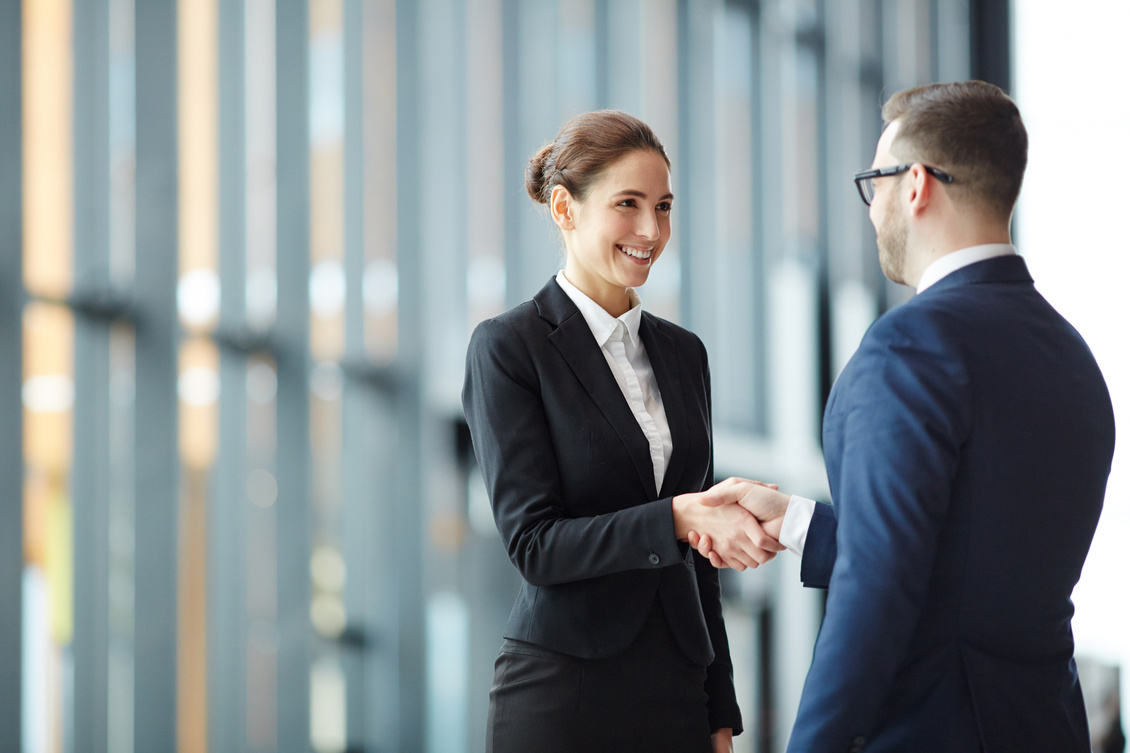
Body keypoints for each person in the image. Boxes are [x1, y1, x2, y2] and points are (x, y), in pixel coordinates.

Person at [692, 81, 1116, 752]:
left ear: (916, 184)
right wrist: (800, 523)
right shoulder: (1074, 358)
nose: (872, 209)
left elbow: (878, 593)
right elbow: (966, 568)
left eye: (876, 182)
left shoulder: (911, 345)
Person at [462, 110, 782, 753]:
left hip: (678, 691)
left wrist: (721, 710)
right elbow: (535, 544)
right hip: (564, 692)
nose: (650, 230)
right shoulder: (510, 347)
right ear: (564, 208)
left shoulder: (684, 353)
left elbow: (703, 560)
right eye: (627, 204)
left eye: (663, 207)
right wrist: (676, 517)